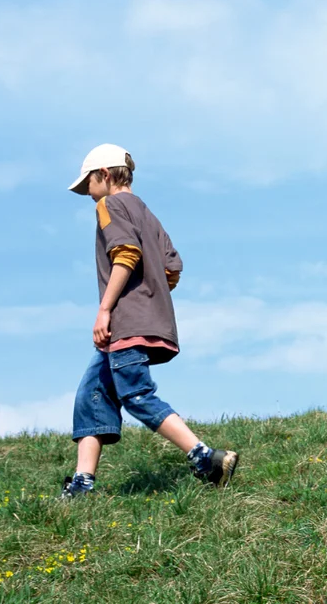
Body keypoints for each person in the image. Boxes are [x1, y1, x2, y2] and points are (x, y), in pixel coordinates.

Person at [61, 144, 238, 498]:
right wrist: (151, 297)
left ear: (105, 175)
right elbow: (172, 267)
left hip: (126, 323)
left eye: (89, 184)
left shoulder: (108, 205)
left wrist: (106, 309)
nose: (88, 193)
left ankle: (205, 458)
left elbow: (125, 253)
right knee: (91, 394)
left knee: (137, 394)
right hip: (147, 321)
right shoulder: (147, 212)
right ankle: (83, 483)